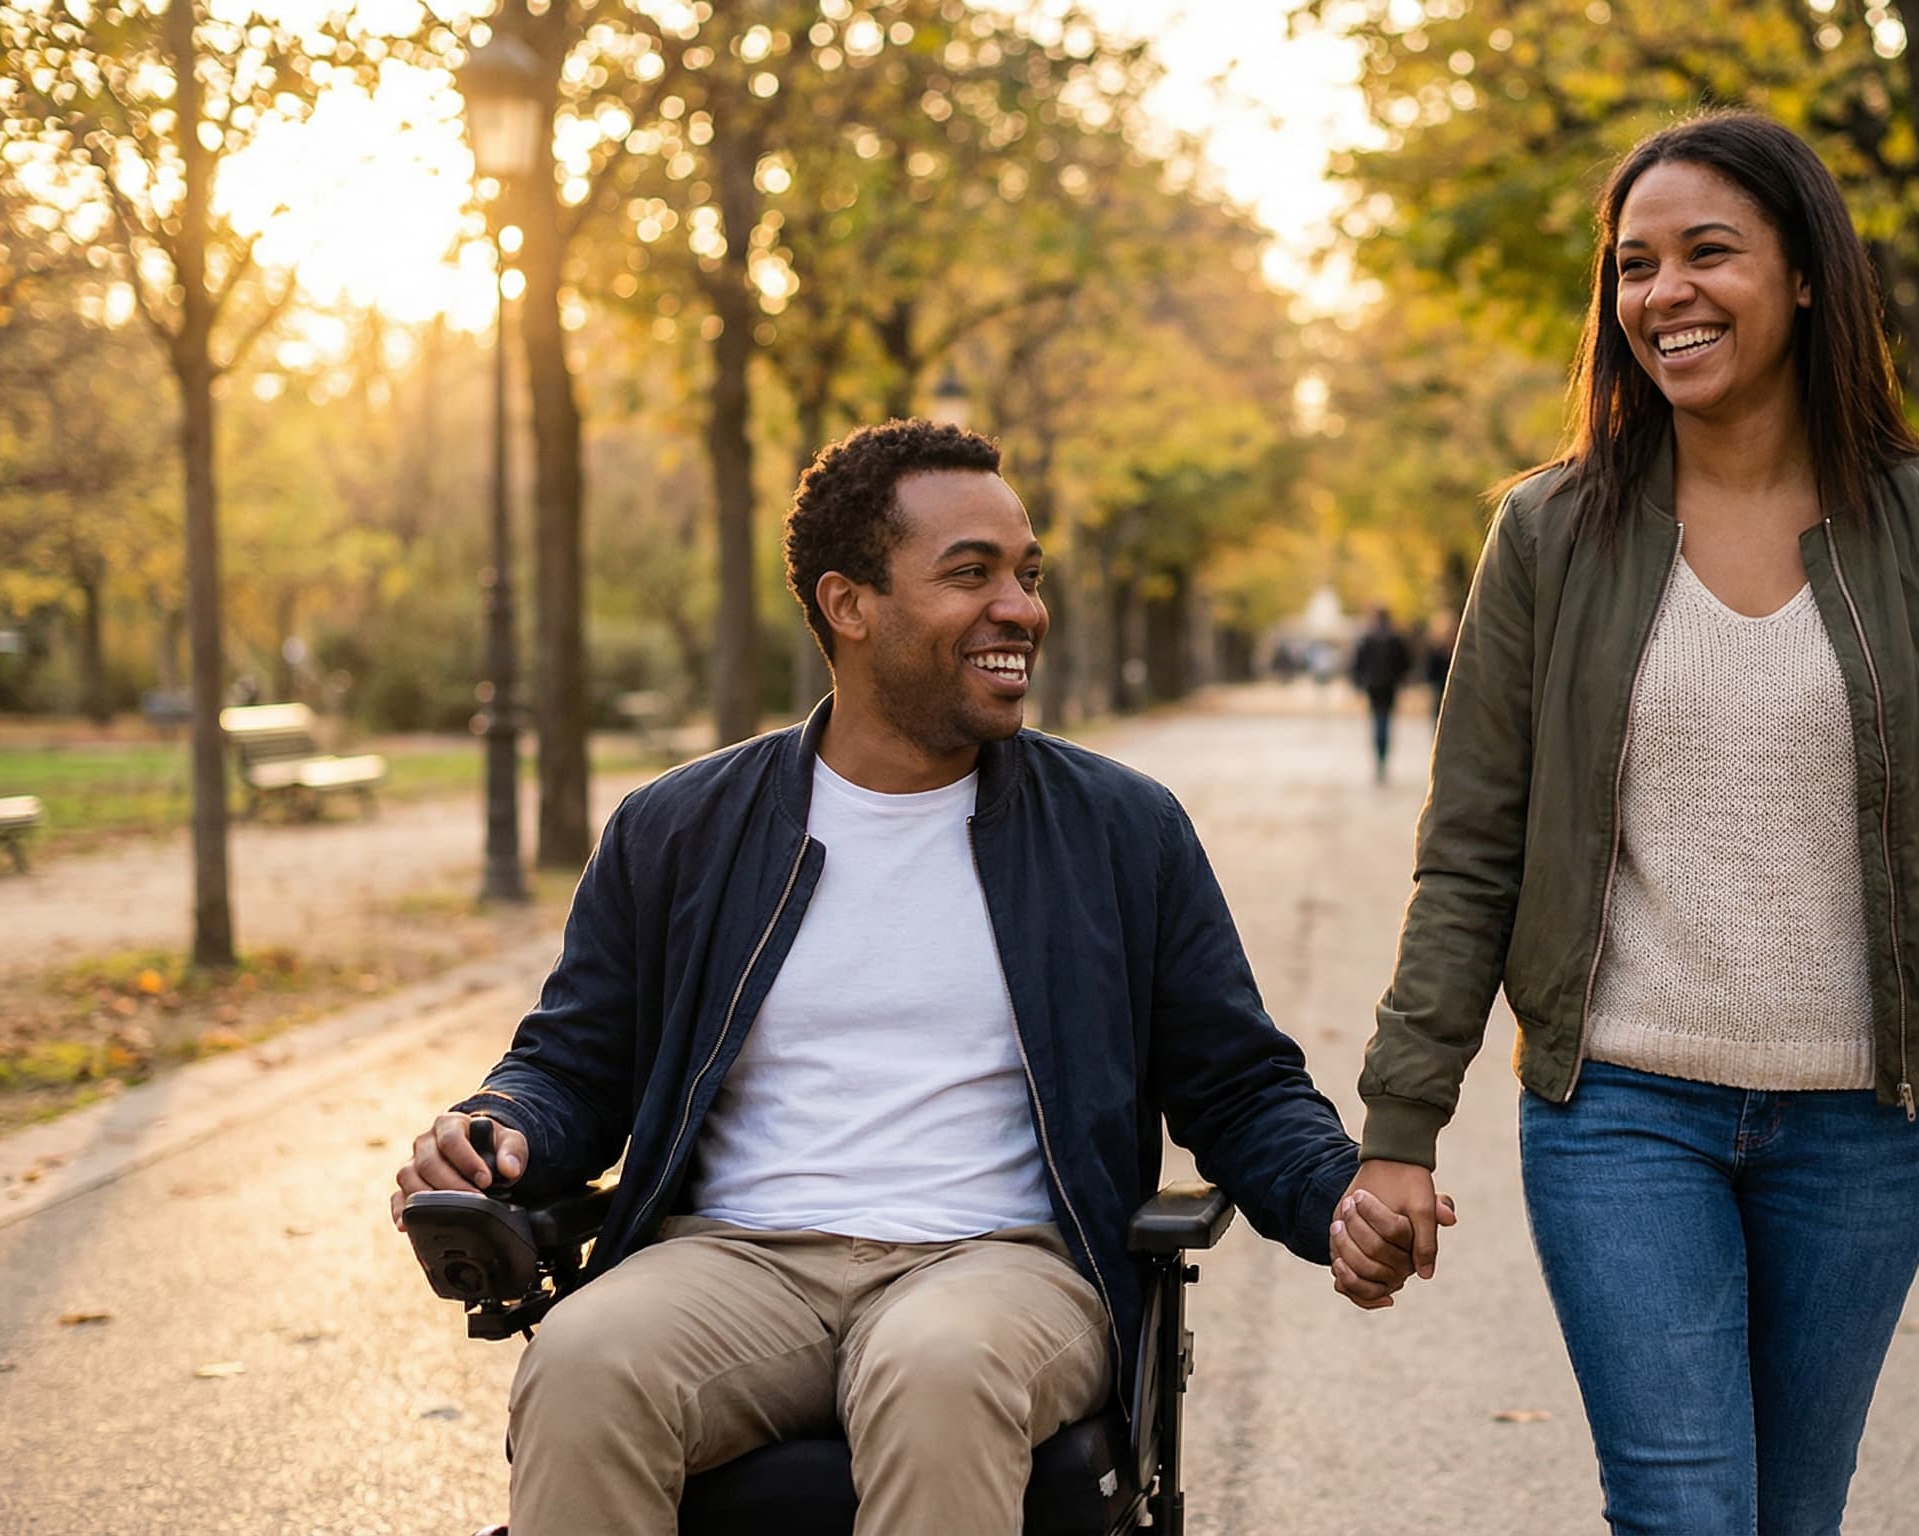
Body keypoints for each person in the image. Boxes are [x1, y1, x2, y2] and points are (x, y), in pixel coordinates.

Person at [1328, 114, 1919, 1534]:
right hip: (1624, 1107)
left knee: (1792, 1514)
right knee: (1687, 1509)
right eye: (1635, 266)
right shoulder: (1550, 534)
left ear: (1807, 274)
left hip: (1864, 1125)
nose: (1665, 294)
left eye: (1710, 253)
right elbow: (1473, 853)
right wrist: (1404, 1120)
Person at [392, 419, 1383, 1536]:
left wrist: (1336, 1194)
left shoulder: (1118, 831)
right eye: (971, 574)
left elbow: (1236, 1083)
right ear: (847, 605)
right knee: (583, 1361)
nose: (1020, 607)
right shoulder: (680, 830)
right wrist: (500, 1125)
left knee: (937, 1371)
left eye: (1027, 574)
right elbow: (574, 1063)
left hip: (999, 1265)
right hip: (735, 1259)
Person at [1349, 605, 1415, 782]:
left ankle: (1380, 759)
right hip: (1388, 686)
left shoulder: (1368, 638)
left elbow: (1358, 664)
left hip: (1375, 687)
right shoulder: (1394, 638)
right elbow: (1405, 663)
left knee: (1378, 722)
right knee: (1384, 722)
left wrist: (1358, 684)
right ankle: (1382, 758)